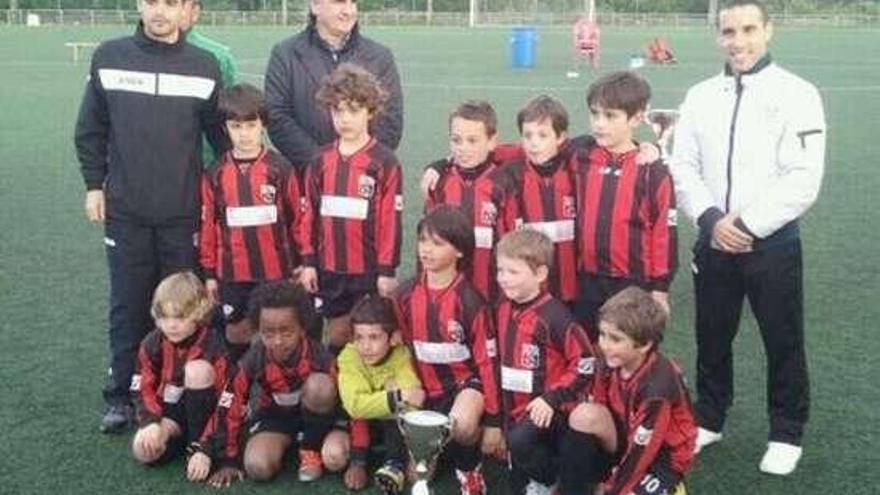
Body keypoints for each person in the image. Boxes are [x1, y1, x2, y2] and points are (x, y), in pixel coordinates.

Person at [670, 0, 826, 475]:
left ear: (768, 31)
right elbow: (683, 166)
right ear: (718, 35)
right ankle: (710, 418)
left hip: (771, 242)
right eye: (729, 31)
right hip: (713, 239)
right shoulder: (700, 95)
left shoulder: (798, 93)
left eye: (748, 30)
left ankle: (786, 431)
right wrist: (712, 218)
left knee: (782, 338)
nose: (738, 41)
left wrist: (746, 225)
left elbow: (803, 178)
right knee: (712, 336)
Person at [74, 0, 227, 434]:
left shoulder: (204, 65)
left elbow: (220, 141)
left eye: (170, 2)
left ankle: (190, 391)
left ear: (185, 8)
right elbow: (90, 128)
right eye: (151, 1)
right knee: (128, 305)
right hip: (127, 211)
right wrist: (93, 185)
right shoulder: (110, 57)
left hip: (184, 214)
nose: (160, 10)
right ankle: (122, 395)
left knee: (189, 306)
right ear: (139, 5)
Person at [393, 206, 502, 495]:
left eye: (438, 243)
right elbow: (405, 347)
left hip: (466, 385)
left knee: (462, 424)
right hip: (428, 392)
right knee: (418, 478)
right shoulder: (403, 295)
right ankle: (437, 447)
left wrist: (493, 420)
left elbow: (487, 363)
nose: (426, 250)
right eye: (423, 241)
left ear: (460, 252)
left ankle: (470, 469)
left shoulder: (471, 300)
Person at [186, 280, 338, 486]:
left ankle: (310, 449)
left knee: (322, 391)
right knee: (257, 467)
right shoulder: (253, 359)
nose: (277, 341)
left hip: (316, 421)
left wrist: (355, 454)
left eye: (286, 332)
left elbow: (344, 399)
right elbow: (230, 403)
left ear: (303, 328)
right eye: (268, 333)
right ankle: (288, 445)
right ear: (258, 329)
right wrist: (228, 459)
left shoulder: (320, 356)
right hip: (276, 420)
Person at [297, 63, 403, 354]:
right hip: (329, 268)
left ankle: (366, 396)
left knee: (369, 335)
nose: (345, 119)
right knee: (336, 334)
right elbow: (308, 216)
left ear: (370, 112)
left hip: (367, 270)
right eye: (338, 111)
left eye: (353, 110)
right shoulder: (319, 161)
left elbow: (389, 222)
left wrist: (386, 270)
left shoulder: (384, 162)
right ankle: (335, 396)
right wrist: (308, 262)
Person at [199, 83, 301, 362]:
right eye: (236, 126)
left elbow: (297, 219)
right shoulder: (215, 174)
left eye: (251, 125)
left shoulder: (281, 168)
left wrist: (303, 261)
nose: (244, 134)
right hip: (233, 271)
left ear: (263, 125)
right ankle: (237, 391)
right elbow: (209, 226)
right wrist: (209, 273)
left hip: (276, 269)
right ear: (225, 129)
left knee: (280, 328)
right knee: (236, 331)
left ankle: (281, 385)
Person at [573, 71, 678, 341]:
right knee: (589, 349)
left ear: (636, 118)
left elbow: (663, 231)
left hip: (632, 283)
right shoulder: (582, 154)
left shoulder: (651, 170)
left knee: (630, 351)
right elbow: (538, 151)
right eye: (595, 114)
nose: (599, 124)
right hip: (586, 279)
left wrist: (659, 290)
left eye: (610, 116)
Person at [561, 287, 696, 495]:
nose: (604, 344)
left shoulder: (657, 388)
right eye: (603, 334)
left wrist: (614, 489)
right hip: (627, 435)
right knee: (584, 415)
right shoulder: (610, 361)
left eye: (615, 339)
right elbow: (597, 404)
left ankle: (672, 487)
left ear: (644, 345)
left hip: (661, 456)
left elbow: (643, 452)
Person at [494, 229, 596, 495]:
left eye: (513, 272)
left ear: (540, 274)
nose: (503, 278)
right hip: (514, 408)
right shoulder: (502, 307)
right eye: (500, 270)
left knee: (520, 442)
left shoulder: (556, 317)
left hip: (551, 409)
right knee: (515, 472)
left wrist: (553, 398)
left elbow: (586, 363)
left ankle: (552, 481)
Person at [265, 0, 403, 171]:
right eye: (339, 2)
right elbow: (277, 117)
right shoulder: (285, 54)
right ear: (315, 6)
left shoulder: (380, 56)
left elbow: (390, 119)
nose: (348, 11)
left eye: (353, 3)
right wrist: (322, 165)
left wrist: (361, 165)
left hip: (365, 180)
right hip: (307, 179)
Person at [130, 272, 230, 467]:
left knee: (197, 371)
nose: (172, 325)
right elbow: (142, 387)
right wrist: (150, 422)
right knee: (143, 452)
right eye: (165, 317)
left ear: (199, 313)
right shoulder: (152, 343)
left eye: (180, 317)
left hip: (206, 418)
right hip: (170, 415)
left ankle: (197, 446)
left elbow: (227, 398)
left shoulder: (214, 344)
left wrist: (206, 446)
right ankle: (177, 440)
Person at [424, 100, 514, 302]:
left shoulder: (503, 184)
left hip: (492, 292)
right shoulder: (439, 183)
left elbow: (511, 243)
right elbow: (428, 239)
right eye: (457, 140)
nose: (463, 148)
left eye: (473, 140)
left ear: (491, 141)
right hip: (448, 293)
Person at [337, 294, 425, 494]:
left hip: (391, 426)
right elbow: (355, 406)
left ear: (393, 337)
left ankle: (393, 465)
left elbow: (415, 402)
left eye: (374, 337)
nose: (366, 346)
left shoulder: (401, 355)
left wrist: (379, 400)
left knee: (400, 409)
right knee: (333, 457)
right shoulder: (348, 357)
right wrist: (396, 397)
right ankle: (358, 461)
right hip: (355, 424)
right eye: (359, 337)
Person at [501, 95, 581, 306]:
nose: (534, 143)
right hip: (529, 288)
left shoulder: (576, 169)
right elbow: (485, 152)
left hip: (573, 284)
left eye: (543, 135)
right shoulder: (512, 174)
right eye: (528, 135)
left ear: (561, 137)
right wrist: (442, 163)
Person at [180, 0, 238, 166]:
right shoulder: (130, 58)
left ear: (195, 11)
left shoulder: (218, 56)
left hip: (206, 163)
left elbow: (228, 113)